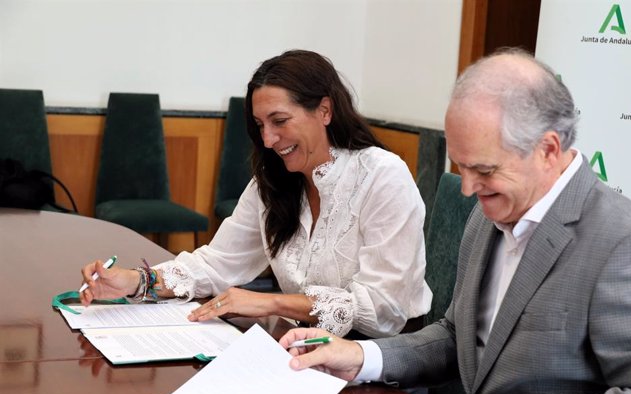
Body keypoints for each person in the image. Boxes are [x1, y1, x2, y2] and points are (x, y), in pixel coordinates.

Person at [279, 48, 631, 394]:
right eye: (461, 167)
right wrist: (362, 356)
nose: (468, 189)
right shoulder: (488, 215)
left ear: (548, 149)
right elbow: (460, 336)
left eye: (485, 170)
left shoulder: (625, 244)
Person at [80, 49, 431, 338]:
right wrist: (138, 281)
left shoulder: (382, 176)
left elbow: (383, 309)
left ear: (324, 110)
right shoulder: (274, 181)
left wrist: (272, 303)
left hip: (383, 363)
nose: (267, 140)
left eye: (279, 121)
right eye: (260, 125)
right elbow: (218, 263)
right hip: (304, 347)